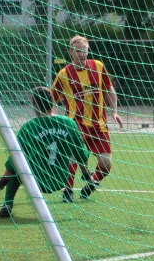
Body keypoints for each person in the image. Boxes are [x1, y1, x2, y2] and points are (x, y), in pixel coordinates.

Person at [0, 87, 93, 217]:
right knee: (71, 150)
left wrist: (1, 183)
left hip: (35, 182)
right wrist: (86, 174)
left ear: (33, 103)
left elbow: (13, 161)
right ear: (53, 102)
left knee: (17, 164)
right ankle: (68, 192)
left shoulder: (29, 127)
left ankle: (7, 204)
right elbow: (80, 153)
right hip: (60, 180)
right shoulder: (69, 123)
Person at [51, 35, 122, 202]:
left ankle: (92, 182)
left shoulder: (98, 66)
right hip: (76, 125)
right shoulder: (64, 74)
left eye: (84, 51)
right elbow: (51, 98)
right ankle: (67, 191)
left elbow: (109, 88)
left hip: (99, 125)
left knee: (106, 164)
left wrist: (114, 111)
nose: (81, 54)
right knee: (73, 158)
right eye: (77, 51)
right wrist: (52, 117)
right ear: (71, 52)